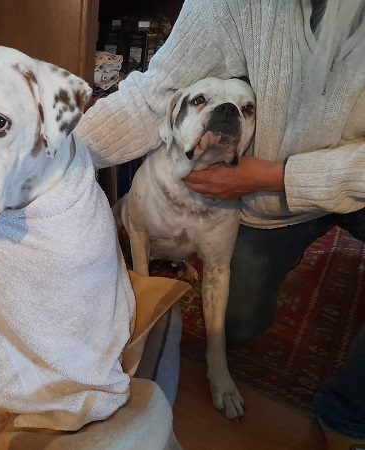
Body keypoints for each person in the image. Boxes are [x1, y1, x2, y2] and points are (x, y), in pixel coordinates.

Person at [75, 0, 365, 448]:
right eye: (202, 102)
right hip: (267, 204)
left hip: (323, 182)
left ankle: (350, 416)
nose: (226, 114)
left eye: (244, 111)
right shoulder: (230, 5)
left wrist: (277, 176)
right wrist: (56, 158)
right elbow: (151, 95)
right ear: (176, 120)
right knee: (237, 325)